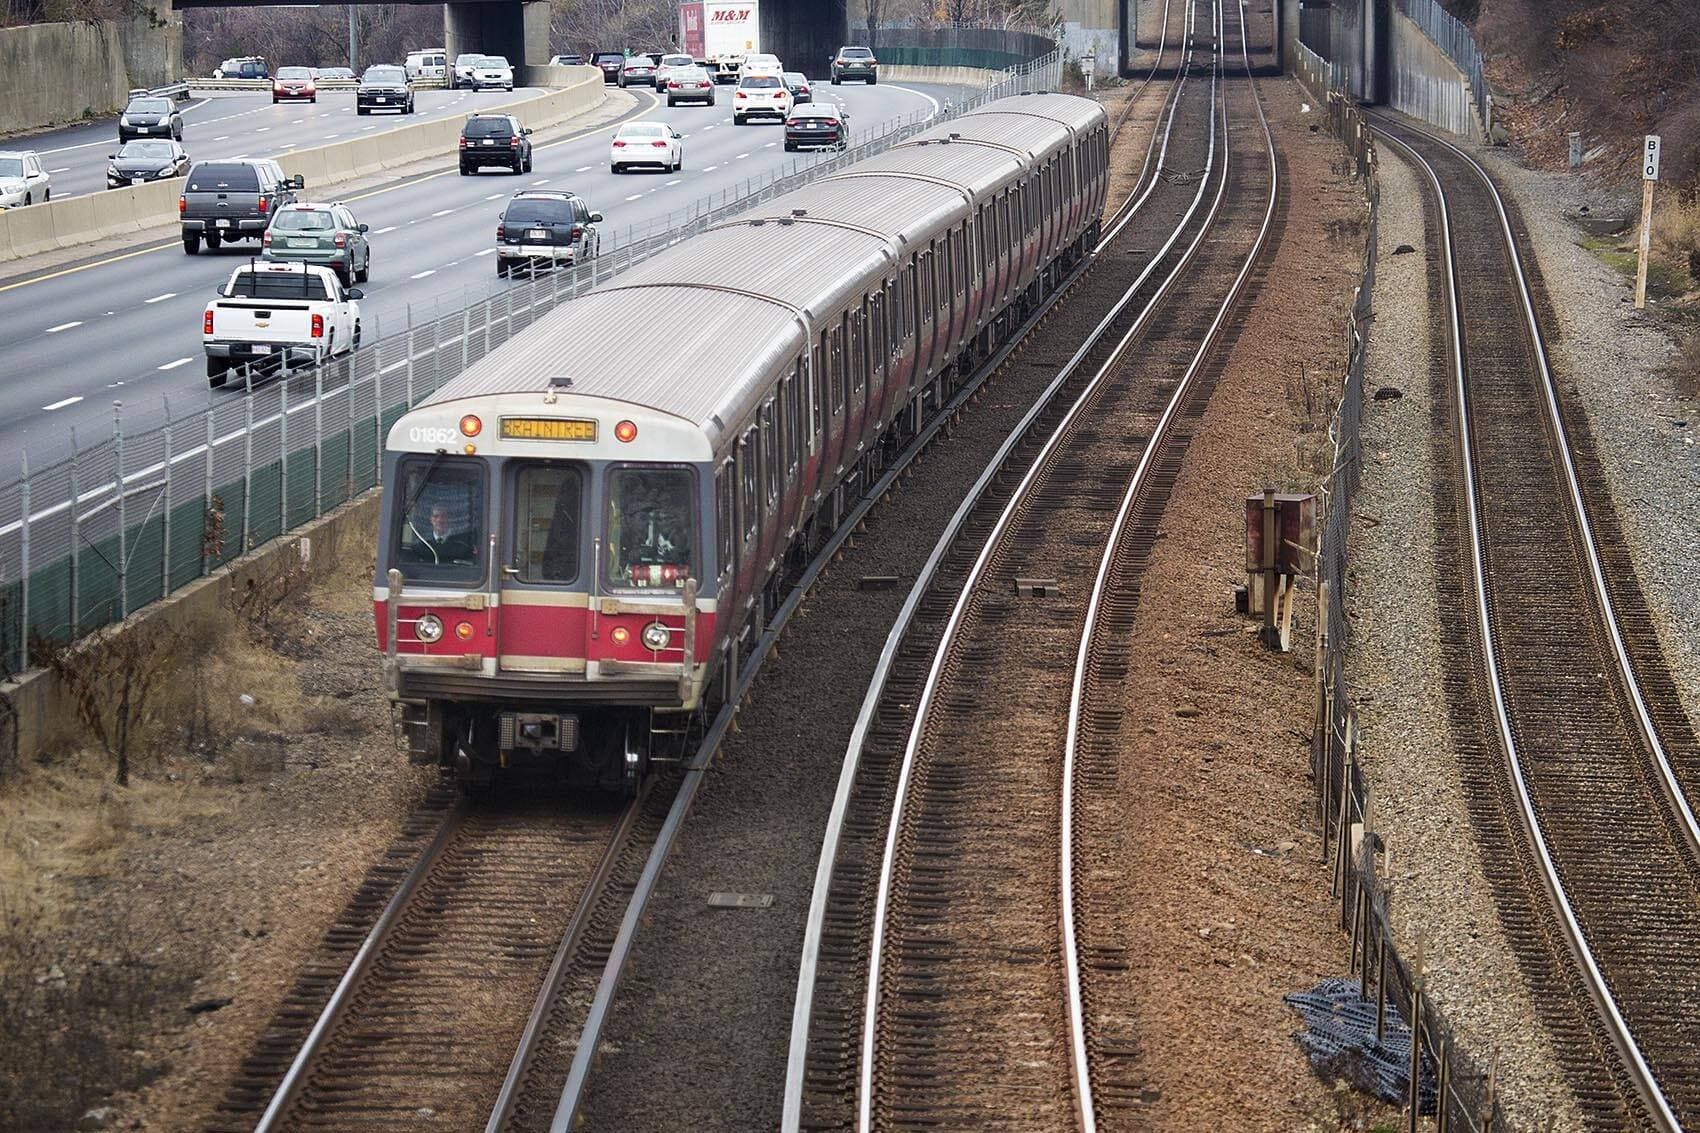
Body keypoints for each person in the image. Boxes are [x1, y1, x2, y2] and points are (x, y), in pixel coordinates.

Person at [406, 501, 477, 566]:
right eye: (435, 516)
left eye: (443, 516)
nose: (439, 520)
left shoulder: (462, 545)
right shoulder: (421, 544)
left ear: (450, 518)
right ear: (431, 519)